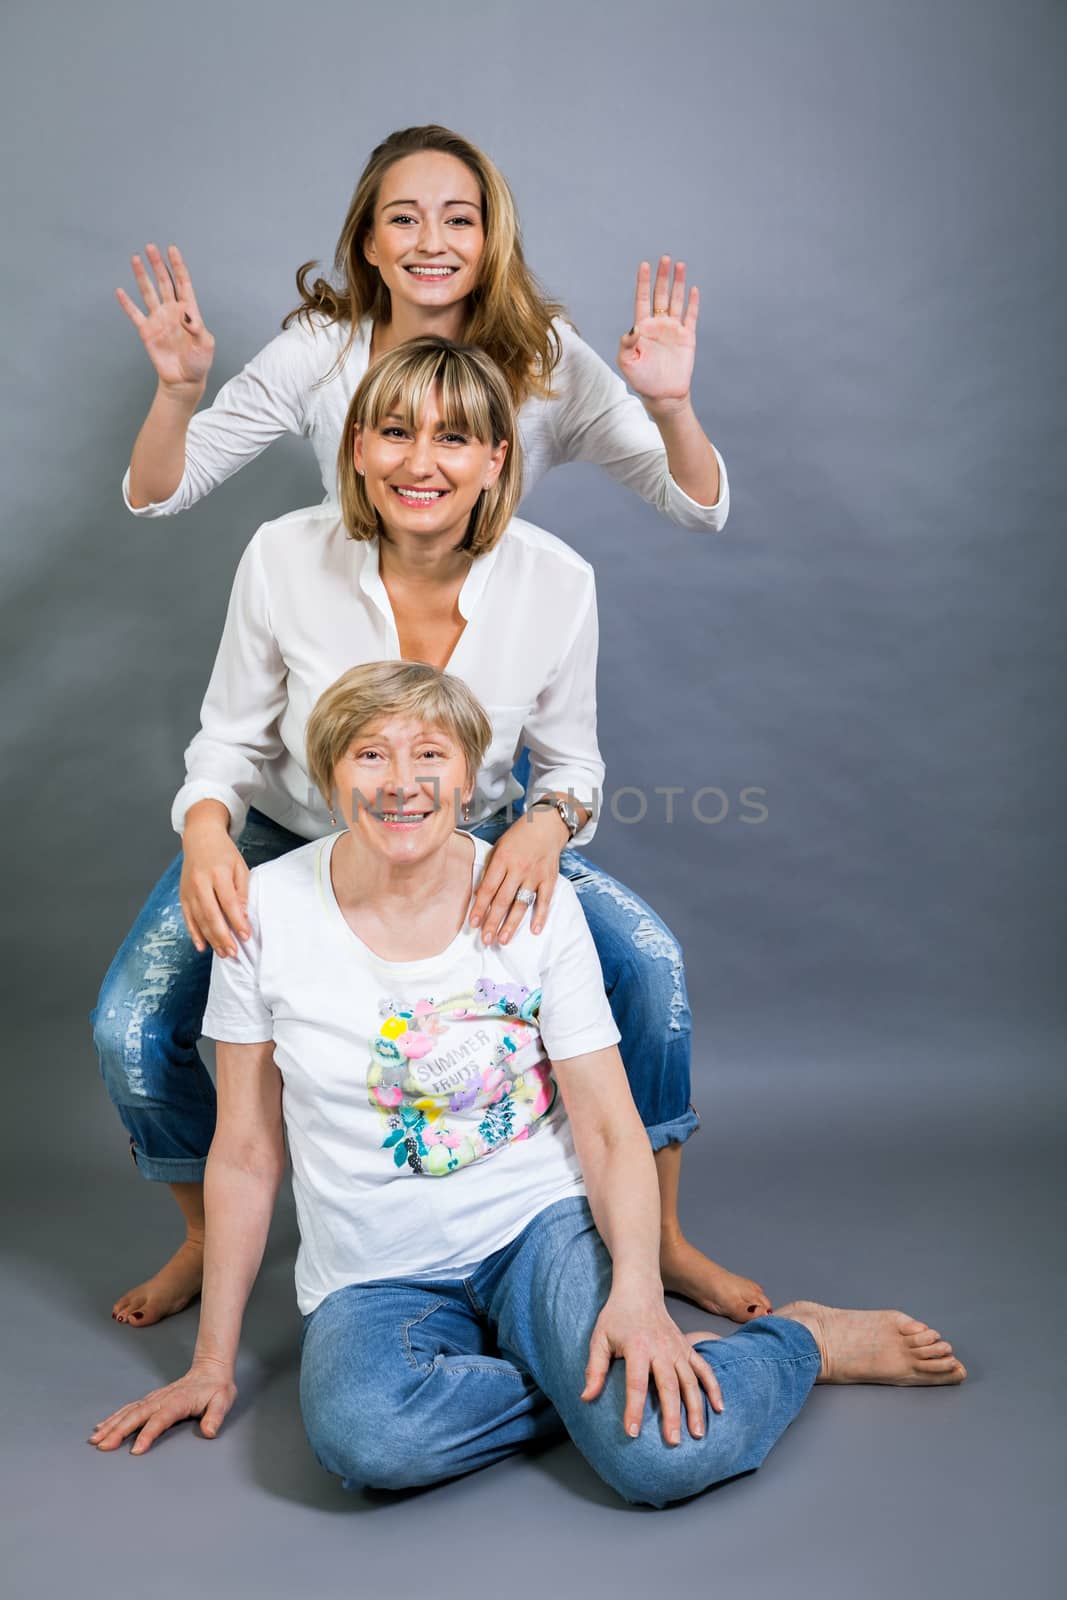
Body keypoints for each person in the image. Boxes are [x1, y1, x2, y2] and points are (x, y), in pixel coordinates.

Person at [89, 662, 966, 1507]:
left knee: (669, 1454)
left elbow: (613, 1128)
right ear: (328, 778)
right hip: (373, 1273)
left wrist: (633, 1293)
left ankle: (798, 1339)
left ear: (469, 781)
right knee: (370, 1444)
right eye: (370, 754)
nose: (402, 782)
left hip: (535, 1231)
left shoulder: (534, 900)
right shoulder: (262, 909)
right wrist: (210, 1363)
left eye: (430, 755)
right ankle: (577, 1382)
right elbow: (244, 1149)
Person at [92, 337, 767, 1332]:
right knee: (131, 1030)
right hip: (282, 834)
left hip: (478, 836)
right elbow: (227, 737)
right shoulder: (283, 554)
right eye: (396, 432)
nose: (422, 462)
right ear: (356, 447)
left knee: (651, 969)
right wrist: (204, 833)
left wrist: (545, 821)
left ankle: (653, 1236)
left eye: (455, 438)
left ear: (499, 458)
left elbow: (572, 765)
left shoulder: (556, 579)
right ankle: (205, 1235)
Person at [116, 122, 727, 529]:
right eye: (405, 219)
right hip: (341, 644)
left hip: (478, 651)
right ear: (371, 245)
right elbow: (157, 494)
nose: (432, 243)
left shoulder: (546, 358)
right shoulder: (318, 353)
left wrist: (671, 407)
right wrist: (177, 395)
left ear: (491, 241)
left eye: (459, 221)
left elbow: (698, 509)